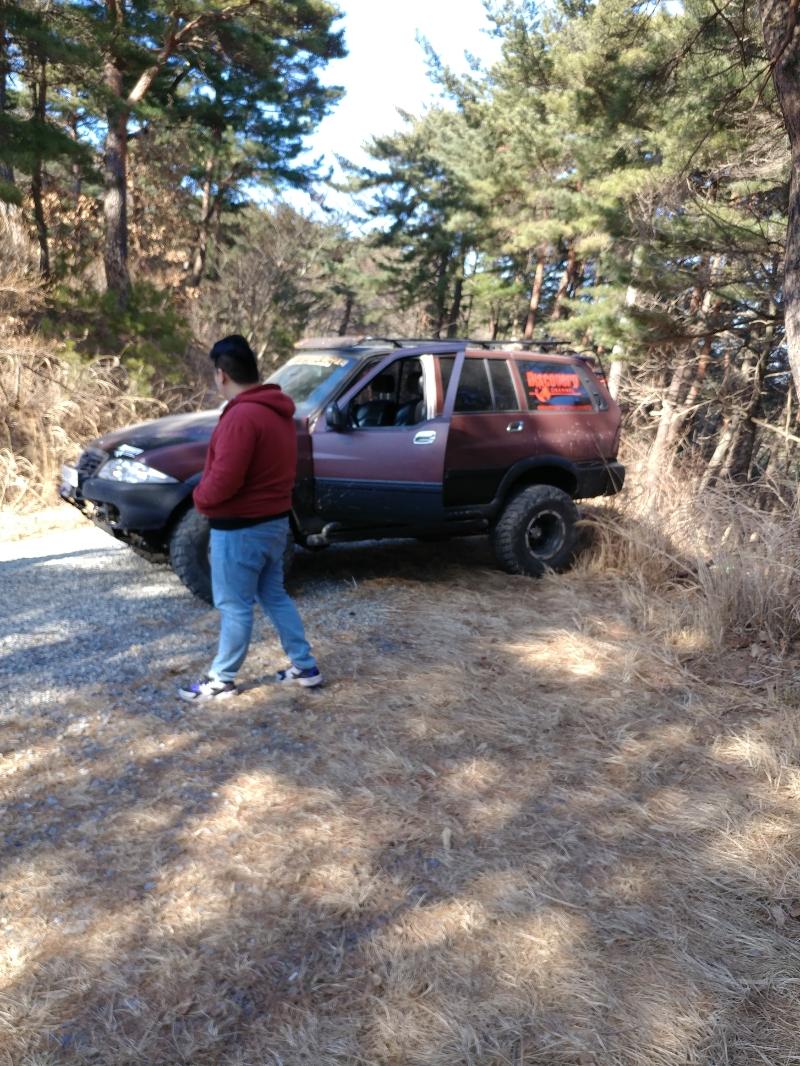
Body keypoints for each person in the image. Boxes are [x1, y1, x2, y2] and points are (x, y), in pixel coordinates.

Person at [178, 335, 321, 701]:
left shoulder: (242, 416)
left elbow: (225, 479)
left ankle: (221, 680)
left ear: (222, 375)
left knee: (234, 606)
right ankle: (305, 666)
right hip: (274, 524)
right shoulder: (278, 412)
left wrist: (200, 498)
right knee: (274, 595)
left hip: (240, 529)